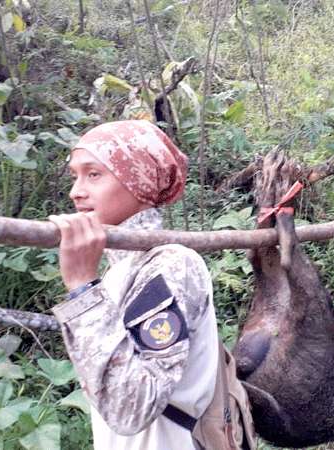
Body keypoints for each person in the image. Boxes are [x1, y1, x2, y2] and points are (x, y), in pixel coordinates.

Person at [48, 120, 219, 450]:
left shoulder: (170, 265)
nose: (76, 191)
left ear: (137, 178)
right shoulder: (119, 271)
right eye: (75, 176)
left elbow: (132, 410)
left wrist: (83, 287)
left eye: (94, 174)